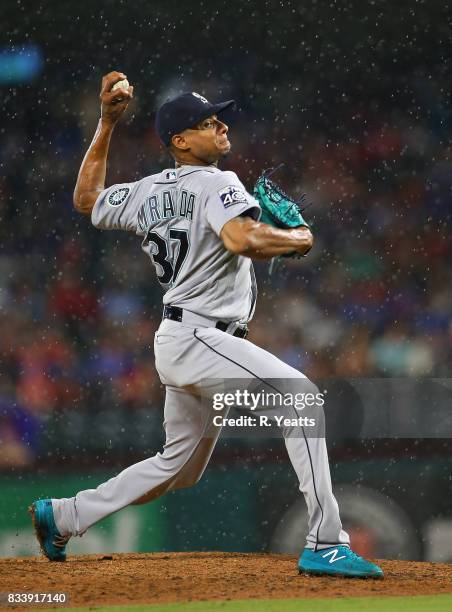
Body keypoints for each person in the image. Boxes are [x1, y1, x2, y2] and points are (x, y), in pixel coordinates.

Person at [29, 71, 383, 578]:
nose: (219, 126)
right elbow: (241, 239)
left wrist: (106, 124)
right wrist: (299, 238)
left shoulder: (147, 191)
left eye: (218, 118)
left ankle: (64, 515)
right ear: (180, 141)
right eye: (206, 122)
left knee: (179, 465)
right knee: (300, 397)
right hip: (200, 336)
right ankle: (325, 541)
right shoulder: (220, 181)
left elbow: (87, 200)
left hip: (183, 339)